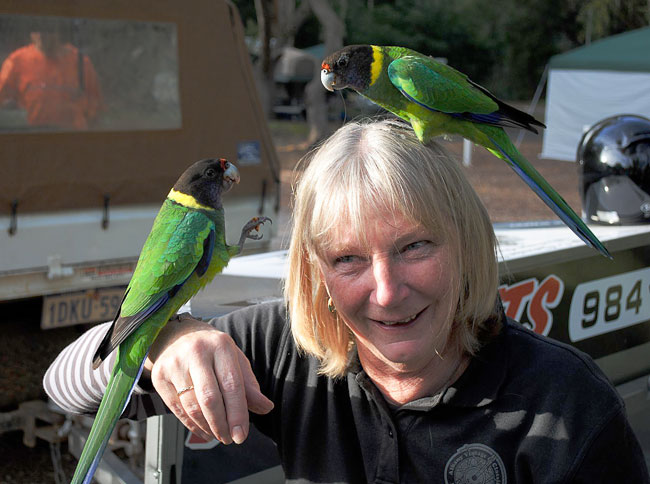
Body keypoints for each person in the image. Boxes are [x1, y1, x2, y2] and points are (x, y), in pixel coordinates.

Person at [44, 119, 649, 483]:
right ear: (315, 273)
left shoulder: (569, 405)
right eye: (348, 259)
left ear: (466, 244)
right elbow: (61, 387)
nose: (386, 292)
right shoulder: (282, 348)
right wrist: (169, 338)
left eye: (414, 246)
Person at [0, 23, 103, 130]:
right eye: (36, 28)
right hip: (31, 140)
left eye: (47, 29)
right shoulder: (16, 62)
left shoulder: (81, 63)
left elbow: (96, 111)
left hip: (71, 140)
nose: (41, 34)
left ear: (57, 29)